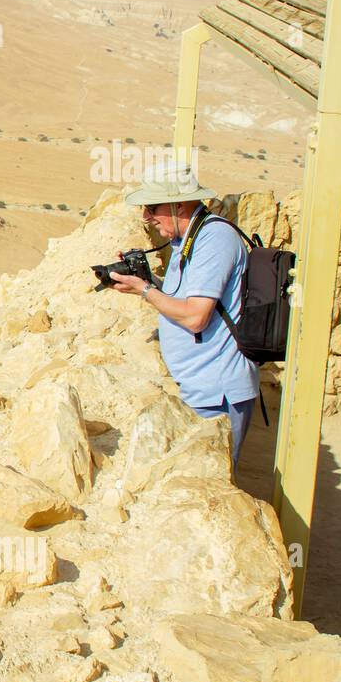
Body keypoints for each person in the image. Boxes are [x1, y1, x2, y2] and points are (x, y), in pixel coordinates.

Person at [108, 162, 259, 469]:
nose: (146, 217)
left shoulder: (213, 239)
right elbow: (184, 299)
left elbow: (194, 317)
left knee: (209, 485)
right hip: (197, 387)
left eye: (152, 207)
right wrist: (145, 280)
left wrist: (144, 292)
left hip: (216, 393)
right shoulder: (185, 240)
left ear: (178, 204)